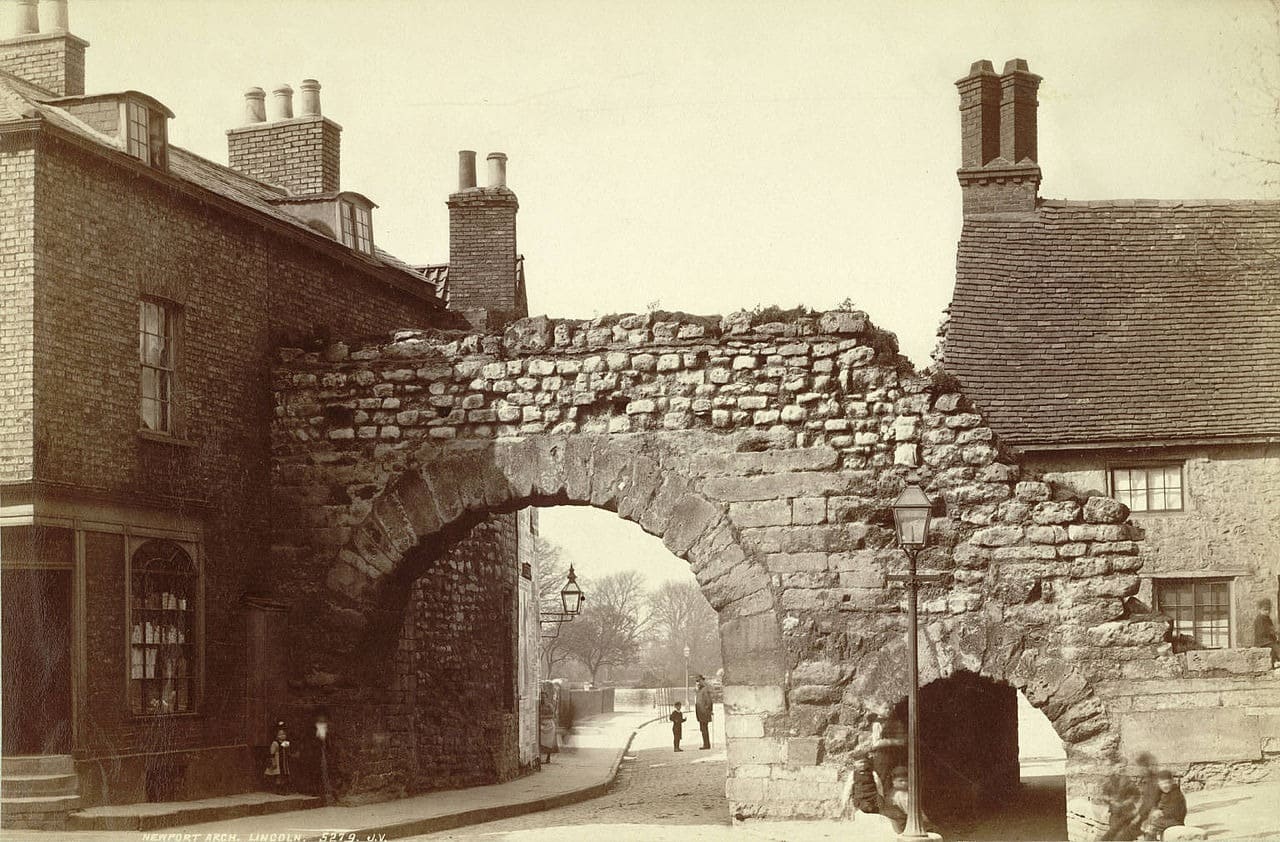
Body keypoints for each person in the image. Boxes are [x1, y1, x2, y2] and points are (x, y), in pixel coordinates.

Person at [878, 766, 933, 835]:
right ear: (893, 781)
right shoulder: (902, 795)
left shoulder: (891, 792)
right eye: (901, 781)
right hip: (902, 826)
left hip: (893, 825)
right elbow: (913, 812)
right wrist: (927, 822)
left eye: (906, 781)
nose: (904, 783)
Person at [1140, 770, 1187, 841]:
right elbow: (1152, 803)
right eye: (1163, 784)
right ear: (1158, 784)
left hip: (1175, 820)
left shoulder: (1176, 794)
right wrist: (1153, 810)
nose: (1165, 786)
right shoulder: (1160, 792)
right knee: (1145, 823)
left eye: (1168, 783)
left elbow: (1176, 811)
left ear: (1172, 782)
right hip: (1164, 819)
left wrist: (1161, 813)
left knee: (1150, 827)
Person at [264, 722, 291, 790]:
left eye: (284, 734)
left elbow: (287, 751)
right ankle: (278, 788)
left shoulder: (286, 743)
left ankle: (283, 787)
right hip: (277, 761)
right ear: (277, 735)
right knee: (278, 775)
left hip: (284, 761)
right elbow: (272, 753)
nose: (282, 736)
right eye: (280, 734)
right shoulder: (275, 743)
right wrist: (273, 761)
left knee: (284, 774)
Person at [1254, 599, 1280, 666]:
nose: (1267, 611)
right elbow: (1261, 632)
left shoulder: (1268, 619)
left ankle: (1276, 660)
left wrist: (1275, 633)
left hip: (1269, 640)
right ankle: (1276, 660)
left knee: (1277, 643)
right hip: (1262, 641)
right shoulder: (1259, 619)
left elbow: (1271, 628)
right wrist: (1271, 631)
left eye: (1269, 610)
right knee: (1276, 647)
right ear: (1260, 610)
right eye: (1265, 610)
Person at [694, 675, 714, 750]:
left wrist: (708, 710)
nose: (698, 683)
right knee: (703, 729)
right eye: (696, 681)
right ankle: (706, 744)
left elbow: (709, 701)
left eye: (699, 681)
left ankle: (706, 745)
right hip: (700, 713)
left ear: (702, 681)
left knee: (704, 729)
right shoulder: (699, 690)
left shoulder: (705, 690)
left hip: (704, 713)